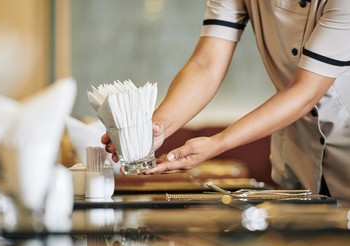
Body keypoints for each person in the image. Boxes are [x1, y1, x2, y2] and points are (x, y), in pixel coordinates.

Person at [102, 0, 350, 202]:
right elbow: (206, 64)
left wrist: (218, 143)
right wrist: (157, 127)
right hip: (300, 153)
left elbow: (305, 91)